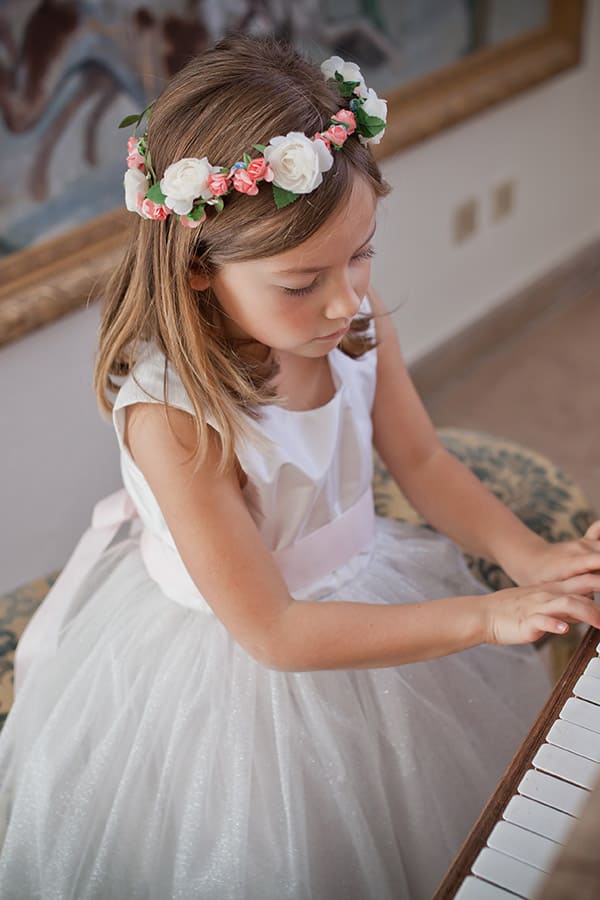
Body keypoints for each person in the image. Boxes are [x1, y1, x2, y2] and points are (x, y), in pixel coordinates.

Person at [1, 32, 599, 900]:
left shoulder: (351, 318)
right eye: (301, 281)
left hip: (361, 586)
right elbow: (276, 633)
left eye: (362, 254)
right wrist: (482, 615)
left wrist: (530, 557)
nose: (346, 299)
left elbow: (422, 458)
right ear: (198, 268)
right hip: (243, 651)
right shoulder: (172, 415)